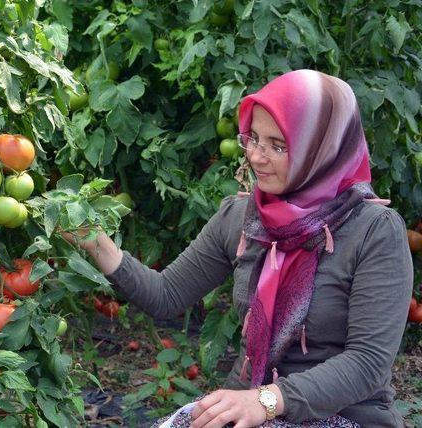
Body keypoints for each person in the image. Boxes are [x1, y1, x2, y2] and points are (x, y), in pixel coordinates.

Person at [63, 69, 413, 428]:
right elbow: (165, 295)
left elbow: (368, 362)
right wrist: (91, 238)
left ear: (321, 149)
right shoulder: (243, 217)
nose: (257, 157)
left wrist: (266, 400)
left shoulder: (374, 232)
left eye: (278, 146)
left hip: (343, 416)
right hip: (250, 406)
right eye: (254, 139)